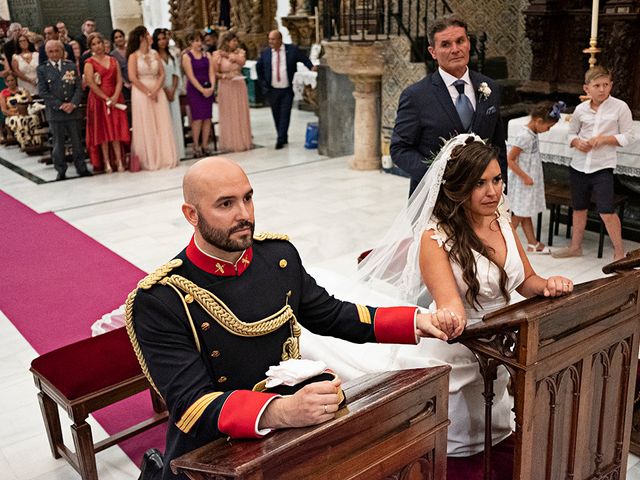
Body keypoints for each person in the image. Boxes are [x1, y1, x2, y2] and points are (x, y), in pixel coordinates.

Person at [127, 156, 457, 480]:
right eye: (225, 204)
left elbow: (331, 314)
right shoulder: (161, 299)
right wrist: (281, 411)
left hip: (289, 438)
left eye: (248, 198)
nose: (244, 214)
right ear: (192, 215)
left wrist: (416, 321)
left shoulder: (277, 257)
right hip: (213, 456)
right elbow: (192, 406)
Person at [300, 134, 574, 478]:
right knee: (461, 437)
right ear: (458, 187)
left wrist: (548, 285)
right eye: (480, 183)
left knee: (497, 421)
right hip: (460, 347)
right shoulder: (436, 237)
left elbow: (526, 280)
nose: (493, 192)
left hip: (502, 343)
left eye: (497, 179)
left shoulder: (502, 220)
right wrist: (449, 318)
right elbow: (450, 305)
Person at [390, 15, 507, 196]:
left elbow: (498, 144)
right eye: (445, 44)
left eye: (460, 41)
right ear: (433, 52)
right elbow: (399, 149)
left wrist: (501, 190)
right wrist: (440, 176)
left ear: (468, 43)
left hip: (484, 197)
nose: (455, 49)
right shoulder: (416, 96)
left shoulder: (489, 87)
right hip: (436, 198)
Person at [552, 66, 636, 261]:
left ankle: (619, 253)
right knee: (579, 207)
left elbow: (629, 135)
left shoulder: (620, 107)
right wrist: (576, 142)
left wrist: (605, 139)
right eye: (597, 85)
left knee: (606, 211)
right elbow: (571, 134)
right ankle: (575, 247)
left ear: (611, 85)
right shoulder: (580, 109)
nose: (602, 89)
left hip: (603, 167)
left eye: (606, 85)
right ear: (586, 88)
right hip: (578, 166)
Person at [507, 101, 563, 254]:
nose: (548, 130)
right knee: (519, 214)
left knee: (525, 212)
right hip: (522, 182)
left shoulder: (532, 134)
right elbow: (510, 160)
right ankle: (504, 241)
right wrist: (525, 177)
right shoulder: (524, 136)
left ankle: (533, 243)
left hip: (528, 182)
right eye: (548, 127)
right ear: (539, 121)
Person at [37, 40, 92, 180]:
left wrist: (73, 104)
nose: (55, 54)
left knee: (77, 142)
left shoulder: (71, 66)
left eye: (57, 51)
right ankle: (61, 170)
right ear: (46, 53)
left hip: (72, 111)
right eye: (51, 51)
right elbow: (43, 92)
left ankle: (81, 167)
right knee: (58, 143)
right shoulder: (42, 69)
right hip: (56, 113)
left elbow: (78, 88)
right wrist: (61, 105)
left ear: (62, 51)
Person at [127, 25, 177, 170]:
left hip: (157, 90)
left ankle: (165, 156)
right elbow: (132, 77)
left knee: (161, 122)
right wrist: (148, 92)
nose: (150, 37)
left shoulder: (155, 53)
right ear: (141, 37)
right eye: (147, 34)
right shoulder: (133, 56)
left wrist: (156, 90)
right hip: (141, 92)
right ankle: (150, 157)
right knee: (147, 122)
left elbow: (162, 74)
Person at [256, 30, 314, 149]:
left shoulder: (291, 50)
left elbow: (304, 58)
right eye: (269, 39)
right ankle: (282, 135)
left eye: (273, 39)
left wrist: (311, 67)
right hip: (272, 89)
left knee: (285, 114)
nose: (270, 42)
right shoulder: (266, 53)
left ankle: (280, 139)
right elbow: (259, 68)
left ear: (280, 39)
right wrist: (263, 84)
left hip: (286, 89)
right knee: (276, 114)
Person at [84, 32, 130, 173]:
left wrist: (115, 96)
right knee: (103, 131)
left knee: (115, 129)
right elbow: (91, 83)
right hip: (99, 100)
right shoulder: (89, 63)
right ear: (90, 47)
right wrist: (105, 98)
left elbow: (119, 80)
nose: (98, 46)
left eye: (99, 43)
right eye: (94, 44)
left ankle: (119, 160)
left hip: (115, 97)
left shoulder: (113, 60)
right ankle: (106, 162)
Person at [212, 31, 252, 152]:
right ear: (226, 42)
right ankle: (230, 141)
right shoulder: (217, 55)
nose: (236, 43)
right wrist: (225, 77)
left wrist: (229, 56)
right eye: (233, 41)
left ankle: (242, 140)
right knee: (229, 112)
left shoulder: (239, 52)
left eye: (236, 41)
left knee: (240, 111)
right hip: (226, 85)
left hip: (239, 84)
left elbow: (242, 62)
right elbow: (215, 72)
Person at [152, 28, 185, 159]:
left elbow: (176, 72)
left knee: (176, 119)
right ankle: (167, 152)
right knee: (164, 121)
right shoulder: (154, 55)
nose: (162, 41)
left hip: (173, 90)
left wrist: (173, 88)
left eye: (164, 38)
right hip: (161, 91)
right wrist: (165, 90)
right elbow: (156, 75)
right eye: (159, 39)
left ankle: (178, 151)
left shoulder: (171, 54)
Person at [182, 30, 215, 157]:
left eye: (200, 40)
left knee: (207, 117)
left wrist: (211, 87)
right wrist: (202, 90)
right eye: (196, 41)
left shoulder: (207, 55)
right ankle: (196, 145)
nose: (199, 43)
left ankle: (205, 145)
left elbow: (211, 72)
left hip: (207, 87)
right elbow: (190, 76)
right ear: (190, 42)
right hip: (195, 90)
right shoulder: (187, 56)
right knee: (197, 119)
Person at [110, 29, 131, 101]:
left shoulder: (131, 50)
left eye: (120, 36)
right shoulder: (113, 55)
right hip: (124, 86)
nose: (119, 39)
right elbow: (116, 72)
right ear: (114, 41)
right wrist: (126, 83)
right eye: (116, 38)